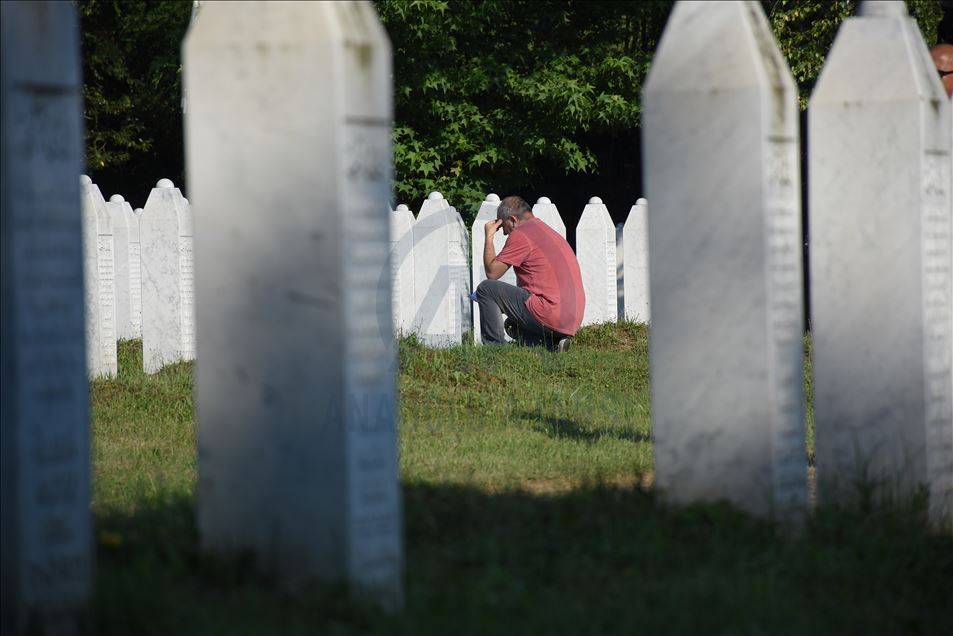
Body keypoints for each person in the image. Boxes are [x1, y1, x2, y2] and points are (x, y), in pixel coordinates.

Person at [476, 195, 585, 351]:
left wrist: (489, 236)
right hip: (571, 319)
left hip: (549, 312)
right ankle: (552, 344)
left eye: (503, 227)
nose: (505, 234)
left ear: (512, 219)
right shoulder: (549, 232)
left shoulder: (521, 234)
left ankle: (495, 349)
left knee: (486, 289)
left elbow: (492, 273)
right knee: (513, 325)